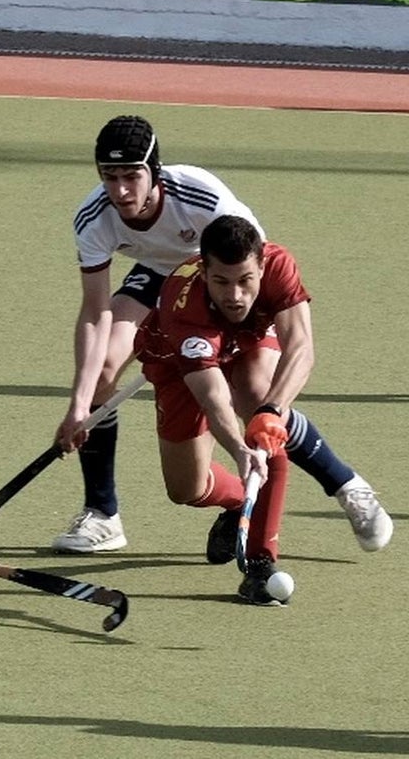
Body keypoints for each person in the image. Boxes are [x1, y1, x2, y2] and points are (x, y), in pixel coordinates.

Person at [52, 114, 392, 558]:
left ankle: (346, 485)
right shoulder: (94, 217)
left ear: (155, 171)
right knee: (102, 374)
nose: (120, 191)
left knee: (254, 393)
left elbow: (251, 272)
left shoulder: (202, 197)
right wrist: (80, 406)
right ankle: (102, 513)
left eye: (132, 176)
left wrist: (224, 340)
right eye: (109, 177)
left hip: (223, 282)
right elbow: (96, 313)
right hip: (158, 278)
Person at [134, 215, 330, 604]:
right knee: (185, 488)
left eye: (245, 280)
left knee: (260, 405)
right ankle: (241, 501)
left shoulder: (279, 265)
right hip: (179, 362)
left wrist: (272, 410)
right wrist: (239, 450)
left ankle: (260, 562)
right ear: (204, 272)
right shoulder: (184, 308)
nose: (235, 295)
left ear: (261, 266)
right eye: (221, 282)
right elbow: (213, 396)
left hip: (248, 341)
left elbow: (301, 347)